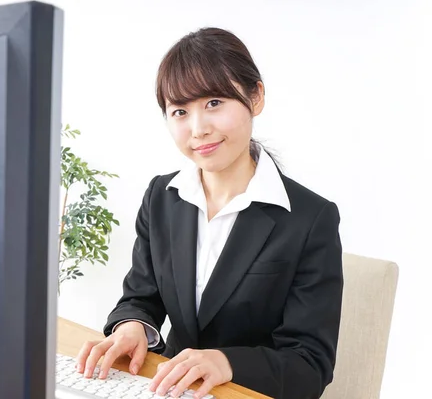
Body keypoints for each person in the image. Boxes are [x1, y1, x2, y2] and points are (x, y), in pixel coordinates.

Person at [75, 27, 343, 399]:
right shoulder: (162, 196)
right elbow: (141, 296)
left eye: (214, 102)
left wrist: (227, 362)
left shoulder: (310, 219)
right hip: (167, 388)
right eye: (180, 111)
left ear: (256, 96)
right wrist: (132, 326)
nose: (198, 129)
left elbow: (309, 364)